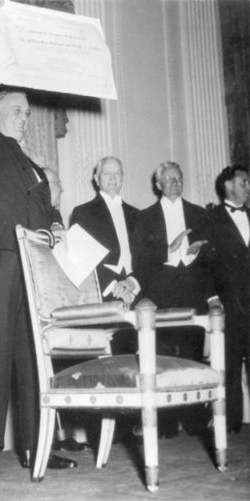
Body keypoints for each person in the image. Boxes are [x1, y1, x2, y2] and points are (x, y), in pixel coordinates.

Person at [0, 88, 76, 480]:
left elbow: (42, 202)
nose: (24, 117)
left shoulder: (28, 159)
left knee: (32, 353)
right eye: (16, 109)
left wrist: (56, 221)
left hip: (34, 260)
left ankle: (35, 444)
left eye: (27, 112)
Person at [132, 161, 213, 437]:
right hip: (162, 292)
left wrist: (196, 252)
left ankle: (195, 422)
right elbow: (140, 260)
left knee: (193, 357)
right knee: (164, 359)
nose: (174, 183)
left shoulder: (200, 214)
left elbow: (213, 257)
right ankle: (165, 426)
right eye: (168, 179)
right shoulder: (144, 217)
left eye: (178, 178)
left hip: (193, 290)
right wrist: (169, 249)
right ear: (158, 185)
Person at [69, 156, 140, 352]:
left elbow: (145, 258)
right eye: (107, 174)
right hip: (105, 294)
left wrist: (133, 284)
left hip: (138, 294)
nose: (112, 179)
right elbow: (81, 258)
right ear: (96, 178)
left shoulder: (138, 215)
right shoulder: (82, 213)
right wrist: (114, 286)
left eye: (117, 174)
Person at [207, 165, 250, 435]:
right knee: (231, 363)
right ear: (228, 185)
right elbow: (205, 263)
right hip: (230, 301)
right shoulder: (210, 217)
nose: (248, 186)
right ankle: (232, 424)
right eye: (244, 181)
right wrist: (212, 296)